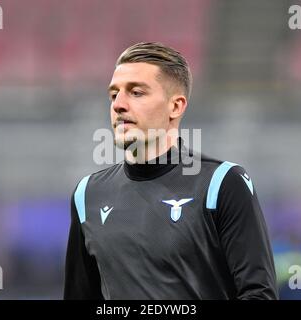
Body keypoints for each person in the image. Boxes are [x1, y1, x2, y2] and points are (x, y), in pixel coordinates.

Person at [64, 42, 278, 300]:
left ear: (175, 106)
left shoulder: (221, 184)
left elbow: (258, 294)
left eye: (136, 92)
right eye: (113, 94)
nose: (118, 105)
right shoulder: (88, 193)